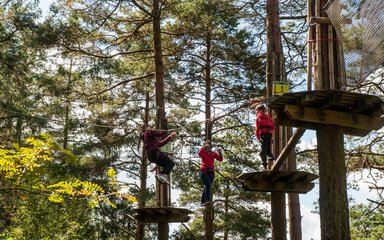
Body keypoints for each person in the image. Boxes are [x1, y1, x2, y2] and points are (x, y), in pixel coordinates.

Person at [198, 140, 223, 205]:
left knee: (207, 186)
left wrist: (220, 153)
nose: (209, 146)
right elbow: (199, 155)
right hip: (203, 171)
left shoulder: (213, 153)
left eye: (209, 145)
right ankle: (208, 201)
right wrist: (204, 147)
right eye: (207, 145)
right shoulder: (203, 152)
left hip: (211, 172)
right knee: (208, 186)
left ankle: (203, 201)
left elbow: (220, 159)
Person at [255, 104, 275, 170]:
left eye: (257, 110)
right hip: (269, 134)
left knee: (263, 150)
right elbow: (272, 127)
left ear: (260, 110)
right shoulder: (268, 118)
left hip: (263, 134)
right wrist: (270, 137)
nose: (256, 112)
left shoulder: (259, 116)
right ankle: (273, 159)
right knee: (267, 149)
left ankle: (264, 165)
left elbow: (258, 127)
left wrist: (258, 137)